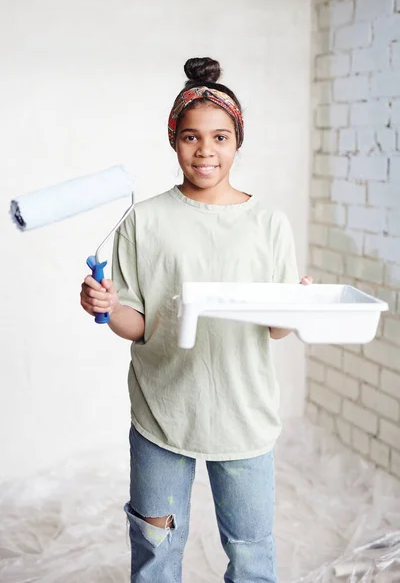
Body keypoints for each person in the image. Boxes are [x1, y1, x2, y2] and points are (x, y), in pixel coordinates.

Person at [80, 56, 312, 583]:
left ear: (237, 142)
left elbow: (276, 328)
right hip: (164, 412)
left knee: (252, 557)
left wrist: (296, 308)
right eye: (191, 137)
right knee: (157, 553)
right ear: (173, 141)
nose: (205, 150)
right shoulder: (144, 219)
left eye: (220, 137)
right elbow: (138, 322)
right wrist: (106, 305)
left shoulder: (269, 223)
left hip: (244, 415)